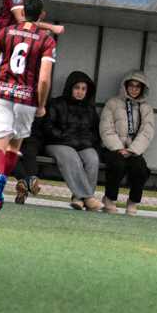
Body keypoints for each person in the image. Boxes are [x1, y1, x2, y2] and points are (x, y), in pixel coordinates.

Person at [0, 0, 56, 216]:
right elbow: (44, 79)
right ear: (42, 15)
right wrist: (41, 104)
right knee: (13, 149)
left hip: (2, 94)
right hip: (27, 99)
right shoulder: (46, 40)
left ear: (22, 12)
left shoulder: (4, 33)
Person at [42, 70, 102, 211]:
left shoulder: (90, 109)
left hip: (81, 145)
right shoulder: (56, 103)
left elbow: (95, 132)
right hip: (56, 143)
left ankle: (78, 199)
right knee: (71, 156)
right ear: (70, 88)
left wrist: (86, 142)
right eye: (77, 88)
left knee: (92, 158)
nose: (80, 92)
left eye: (83, 89)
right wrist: (65, 137)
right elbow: (47, 127)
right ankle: (88, 197)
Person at [100, 70, 155, 215]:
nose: (134, 89)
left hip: (133, 151)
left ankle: (133, 201)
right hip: (112, 149)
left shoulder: (146, 108)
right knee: (117, 165)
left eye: (138, 86)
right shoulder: (112, 103)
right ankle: (109, 199)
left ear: (142, 89)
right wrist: (118, 148)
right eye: (131, 85)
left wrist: (132, 150)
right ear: (125, 86)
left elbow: (147, 131)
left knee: (140, 169)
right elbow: (106, 128)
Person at [12, 136, 44, 205]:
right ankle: (29, 181)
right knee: (11, 153)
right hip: (10, 137)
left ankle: (25, 183)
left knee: (30, 148)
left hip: (31, 138)